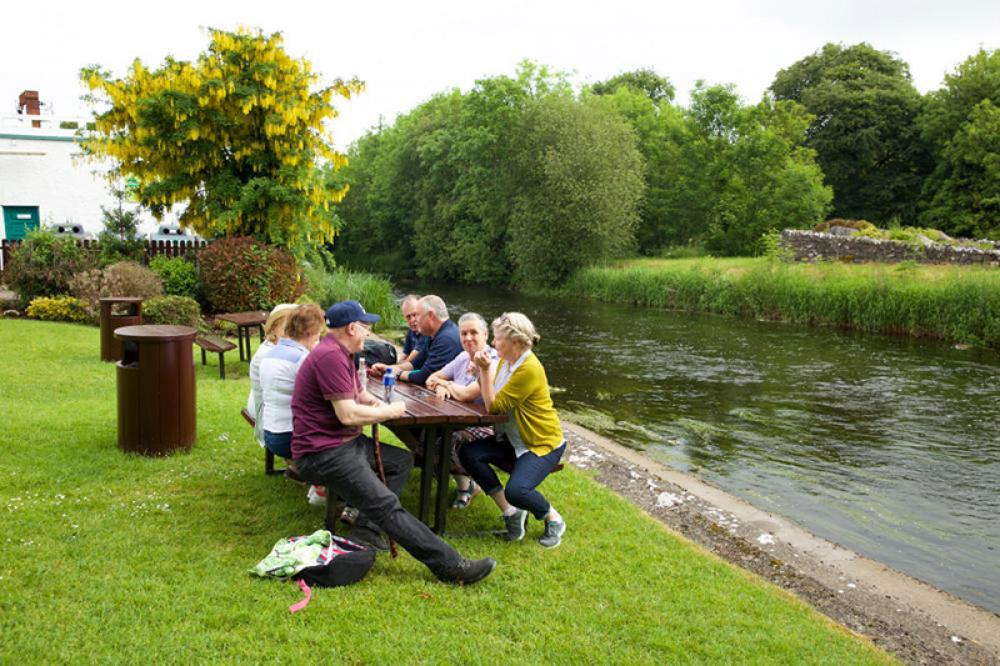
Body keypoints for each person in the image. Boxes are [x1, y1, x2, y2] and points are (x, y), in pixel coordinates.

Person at [291, 299, 496, 585]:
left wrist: (379, 402)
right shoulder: (330, 357)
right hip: (323, 453)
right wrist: (389, 411)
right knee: (387, 506)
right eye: (366, 327)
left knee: (401, 461)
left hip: (341, 444)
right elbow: (348, 413)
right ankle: (452, 567)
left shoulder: (342, 352)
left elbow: (359, 395)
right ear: (351, 328)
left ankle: (366, 530)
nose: (368, 333)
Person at [460, 312, 567, 548]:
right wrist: (481, 372)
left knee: (517, 491)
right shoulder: (505, 362)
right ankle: (512, 514)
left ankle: (554, 518)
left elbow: (494, 407)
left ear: (515, 343)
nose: (492, 343)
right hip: (512, 440)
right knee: (468, 453)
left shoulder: (529, 368)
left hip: (540, 444)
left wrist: (485, 371)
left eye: (497, 339)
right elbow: (490, 394)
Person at [425, 312, 499, 509]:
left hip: (485, 426)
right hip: (455, 420)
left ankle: (465, 487)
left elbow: (467, 394)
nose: (468, 338)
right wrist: (442, 384)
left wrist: (445, 385)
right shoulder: (462, 357)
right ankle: (464, 483)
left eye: (473, 333)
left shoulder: (492, 361)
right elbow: (431, 378)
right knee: (425, 437)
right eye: (463, 333)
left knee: (447, 442)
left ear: (485, 334)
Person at [370, 295, 461, 386]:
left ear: (430, 316)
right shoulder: (433, 335)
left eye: (417, 315)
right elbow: (415, 364)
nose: (414, 320)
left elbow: (423, 376)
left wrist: (398, 373)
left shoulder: (446, 339)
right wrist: (388, 368)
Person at [247, 303, 298, 448]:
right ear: (274, 327)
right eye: (287, 326)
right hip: (266, 415)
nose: (292, 331)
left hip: (269, 406)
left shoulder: (277, 346)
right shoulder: (269, 354)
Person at [398, 294, 427, 366]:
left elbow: (415, 354)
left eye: (414, 315)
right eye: (408, 317)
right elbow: (405, 353)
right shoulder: (411, 331)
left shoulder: (427, 331)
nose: (412, 320)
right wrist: (398, 364)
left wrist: (397, 367)